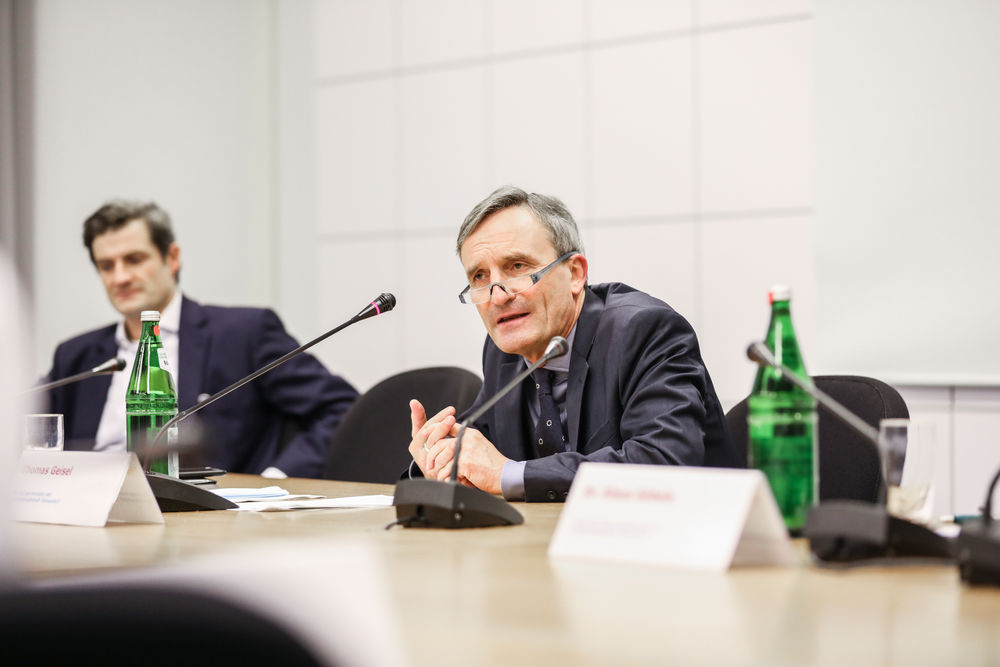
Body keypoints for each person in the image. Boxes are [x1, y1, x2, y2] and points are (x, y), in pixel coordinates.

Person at [408, 186, 740, 501]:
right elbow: (478, 449)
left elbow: (664, 460)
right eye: (479, 276)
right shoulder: (504, 351)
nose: (497, 295)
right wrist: (438, 459)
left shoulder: (642, 330)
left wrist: (509, 474)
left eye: (517, 267)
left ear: (576, 273)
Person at [44, 200, 358, 478]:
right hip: (90, 514)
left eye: (134, 259)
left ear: (172, 257)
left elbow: (341, 407)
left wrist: (276, 479)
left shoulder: (243, 333)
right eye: (106, 266)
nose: (120, 277)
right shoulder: (77, 356)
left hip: (204, 517)